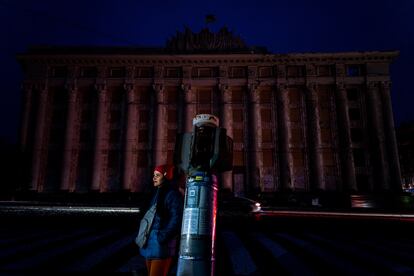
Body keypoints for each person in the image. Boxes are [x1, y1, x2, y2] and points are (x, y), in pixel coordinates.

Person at [139, 164, 183, 276]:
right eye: (154, 175)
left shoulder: (172, 195)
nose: (154, 178)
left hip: (161, 245)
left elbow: (176, 219)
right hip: (149, 243)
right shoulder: (155, 193)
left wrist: (162, 237)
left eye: (157, 175)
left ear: (165, 176)